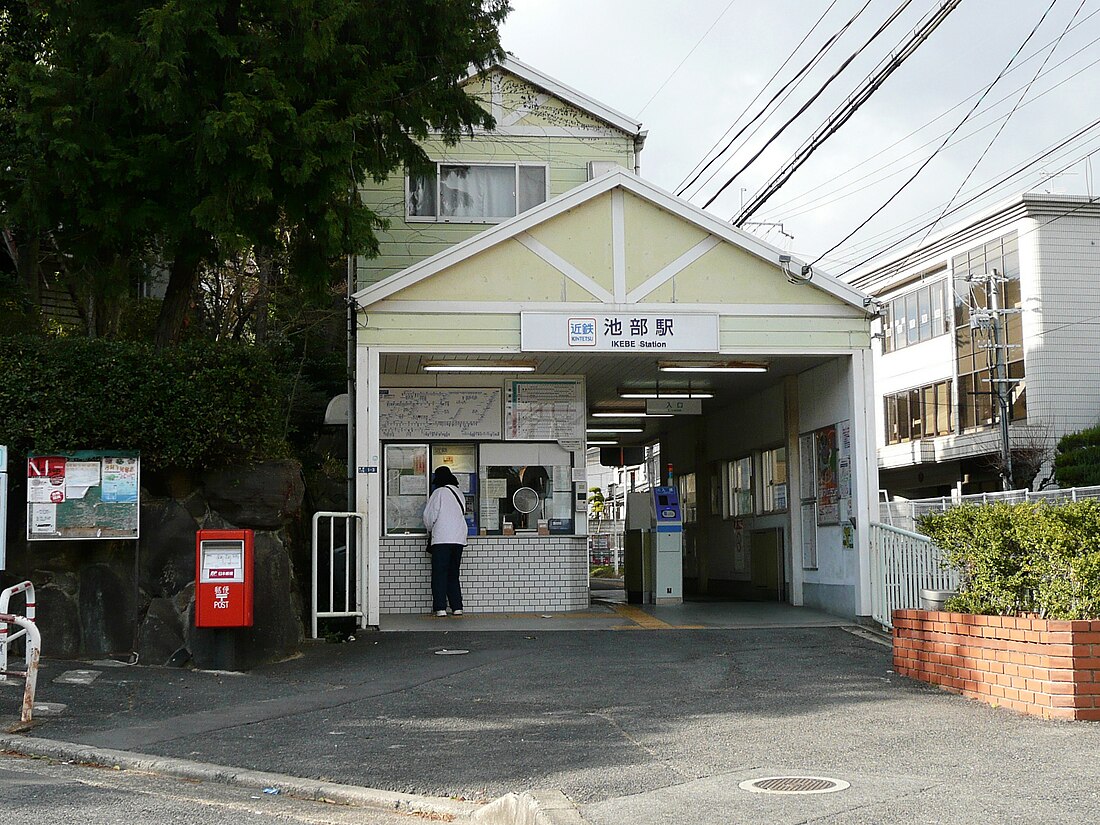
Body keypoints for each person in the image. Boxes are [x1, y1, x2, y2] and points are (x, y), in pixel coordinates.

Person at [423, 466, 468, 617]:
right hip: (459, 539)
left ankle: (440, 608)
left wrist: (429, 529)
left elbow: (429, 517)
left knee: (439, 573)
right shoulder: (459, 493)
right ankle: (457, 607)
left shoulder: (439, 493)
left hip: (442, 539)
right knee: (453, 574)